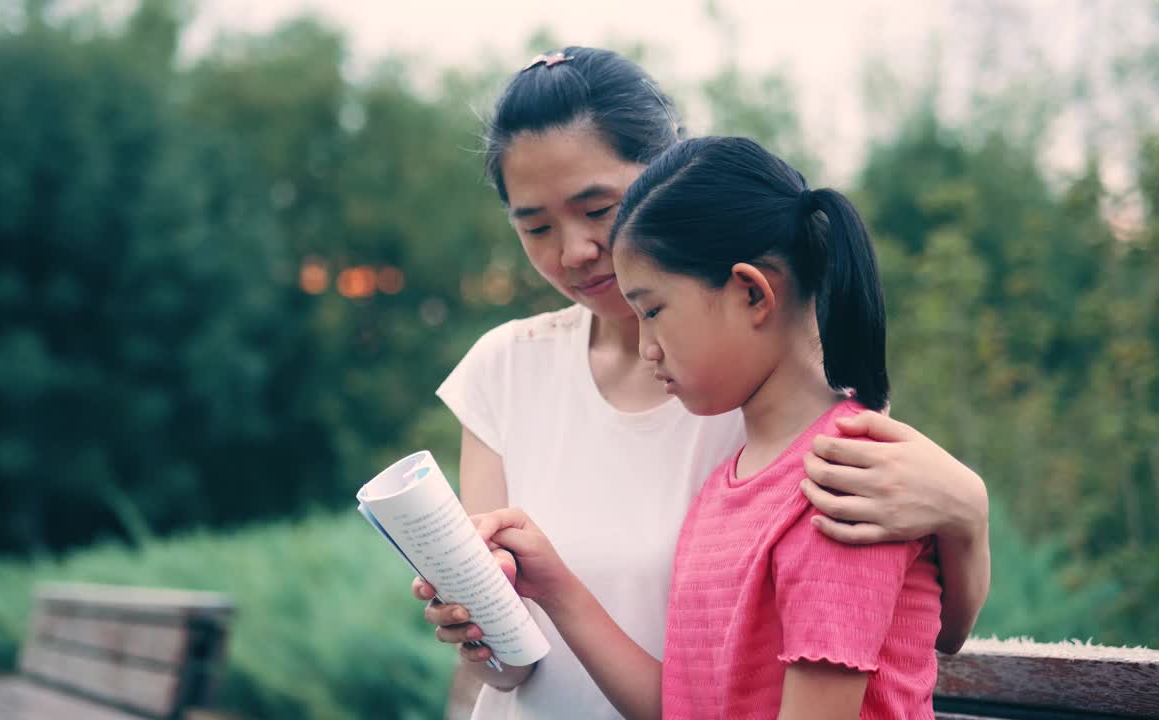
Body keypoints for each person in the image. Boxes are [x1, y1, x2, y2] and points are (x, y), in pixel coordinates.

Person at [415, 47, 990, 720]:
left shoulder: (806, 450)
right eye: (535, 226)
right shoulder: (514, 372)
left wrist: (967, 511)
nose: (572, 251)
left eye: (598, 208)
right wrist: (485, 615)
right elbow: (682, 702)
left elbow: (927, 626)